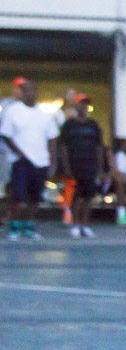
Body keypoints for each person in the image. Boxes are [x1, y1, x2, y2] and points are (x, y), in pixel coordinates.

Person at [1, 79, 58, 241]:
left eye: (33, 91)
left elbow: (52, 138)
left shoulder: (44, 114)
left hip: (40, 161)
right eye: (27, 91)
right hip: (21, 161)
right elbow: (5, 134)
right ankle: (14, 227)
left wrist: (52, 159)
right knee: (17, 195)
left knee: (35, 196)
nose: (30, 94)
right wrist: (18, 152)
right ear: (23, 93)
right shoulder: (13, 111)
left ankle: (30, 226)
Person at [56, 95, 107, 238]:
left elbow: (99, 147)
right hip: (74, 166)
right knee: (76, 197)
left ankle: (85, 225)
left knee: (88, 197)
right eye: (81, 104)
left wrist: (100, 167)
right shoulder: (69, 125)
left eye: (86, 104)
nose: (84, 107)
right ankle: (76, 225)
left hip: (89, 165)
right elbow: (63, 147)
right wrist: (65, 167)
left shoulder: (93, 125)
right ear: (76, 106)